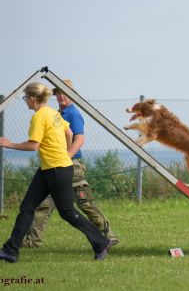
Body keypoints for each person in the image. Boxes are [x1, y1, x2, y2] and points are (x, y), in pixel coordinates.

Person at [0, 82, 111, 263]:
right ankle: (10, 251)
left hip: (57, 170)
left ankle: (101, 242)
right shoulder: (53, 113)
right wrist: (64, 152)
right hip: (49, 168)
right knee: (27, 207)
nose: (25, 101)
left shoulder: (39, 117)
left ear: (33, 99)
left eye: (26, 97)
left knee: (67, 212)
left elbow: (33, 145)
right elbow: (68, 132)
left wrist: (8, 143)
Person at [22, 79, 118, 248]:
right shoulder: (58, 112)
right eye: (58, 92)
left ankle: (107, 235)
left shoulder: (72, 113)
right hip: (57, 165)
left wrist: (66, 157)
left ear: (73, 94)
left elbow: (79, 139)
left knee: (84, 202)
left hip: (71, 164)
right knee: (44, 203)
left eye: (64, 92)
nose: (61, 96)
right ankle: (32, 240)